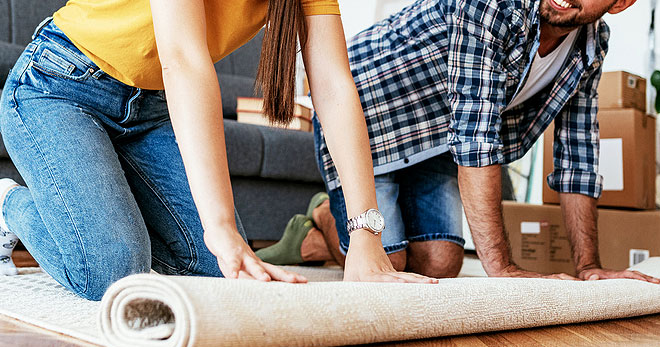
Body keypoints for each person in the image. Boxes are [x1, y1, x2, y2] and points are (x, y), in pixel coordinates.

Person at [0, 0, 433, 301]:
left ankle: (96, 202)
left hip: (150, 109)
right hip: (57, 88)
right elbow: (183, 58)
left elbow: (334, 84)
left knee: (222, 275)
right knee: (113, 271)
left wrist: (366, 236)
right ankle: (7, 205)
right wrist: (220, 226)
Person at [257, 0, 660, 285]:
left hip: (436, 137)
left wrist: (589, 266)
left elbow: (579, 156)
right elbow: (476, 135)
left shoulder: (591, 45)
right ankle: (327, 215)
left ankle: (326, 232)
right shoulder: (492, 5)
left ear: (621, 3)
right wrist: (502, 269)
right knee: (388, 263)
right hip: (368, 115)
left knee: (440, 263)